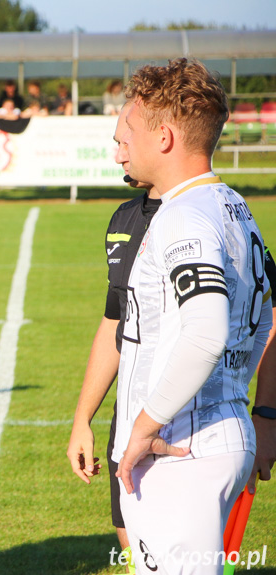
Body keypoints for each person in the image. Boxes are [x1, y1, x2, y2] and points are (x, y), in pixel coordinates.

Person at [115, 58, 272, 573]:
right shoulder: (232, 205)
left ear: (164, 139)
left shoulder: (184, 213)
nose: (121, 145)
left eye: (129, 132)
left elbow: (206, 329)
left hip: (181, 448)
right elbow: (266, 314)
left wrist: (143, 426)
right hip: (211, 435)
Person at [66, 102, 161, 572]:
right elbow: (114, 323)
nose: (117, 157)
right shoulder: (123, 218)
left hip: (191, 429)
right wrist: (84, 418)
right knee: (138, 558)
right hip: (127, 422)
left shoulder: (210, 215)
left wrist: (264, 413)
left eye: (124, 143)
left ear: (161, 138)